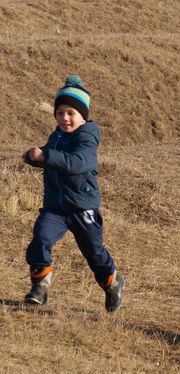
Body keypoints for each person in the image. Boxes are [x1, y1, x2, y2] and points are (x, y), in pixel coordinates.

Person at [22, 75, 125, 312]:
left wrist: (46, 156)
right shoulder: (56, 136)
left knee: (94, 253)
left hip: (82, 207)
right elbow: (51, 157)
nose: (64, 118)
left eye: (71, 113)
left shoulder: (87, 138)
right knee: (41, 238)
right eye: (60, 113)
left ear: (83, 116)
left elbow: (77, 162)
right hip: (55, 207)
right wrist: (35, 158)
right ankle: (39, 287)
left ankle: (112, 282)